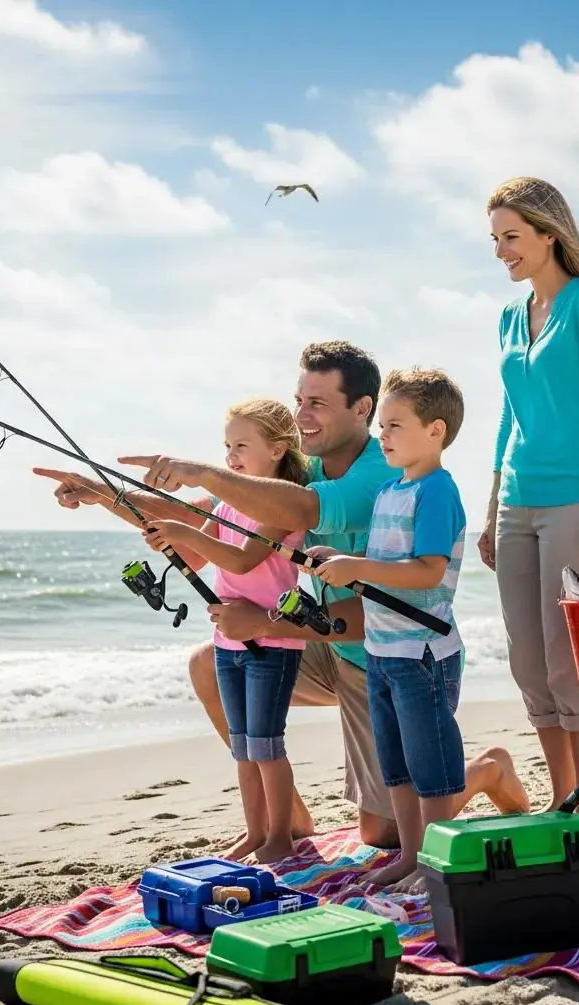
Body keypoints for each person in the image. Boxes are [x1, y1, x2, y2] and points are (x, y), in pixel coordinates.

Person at [99, 341, 529, 847]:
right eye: (299, 400)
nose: (300, 415)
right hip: (328, 645)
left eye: (317, 403)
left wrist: (264, 623)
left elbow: (353, 580)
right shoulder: (304, 463)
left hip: (383, 656)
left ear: (362, 409)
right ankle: (286, 818)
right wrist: (101, 493)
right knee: (208, 663)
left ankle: (485, 771)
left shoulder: (389, 476)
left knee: (383, 832)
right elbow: (201, 513)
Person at [480, 177, 579, 819]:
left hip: (575, 500)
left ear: (549, 234)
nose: (501, 252)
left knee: (569, 657)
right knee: (528, 659)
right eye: (494, 240)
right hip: (518, 500)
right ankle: (560, 796)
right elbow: (508, 418)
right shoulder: (510, 317)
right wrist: (491, 507)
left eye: (511, 237)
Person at [312, 368, 469, 890]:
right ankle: (412, 854)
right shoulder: (389, 491)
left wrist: (357, 567)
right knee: (396, 765)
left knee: (432, 764)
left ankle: (438, 862)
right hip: (381, 650)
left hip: (422, 654)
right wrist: (341, 558)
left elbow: (426, 571)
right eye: (382, 425)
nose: (383, 435)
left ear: (436, 431)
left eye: (395, 425)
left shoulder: (437, 492)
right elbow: (382, 564)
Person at [139, 398, 309, 864]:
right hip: (228, 640)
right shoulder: (227, 507)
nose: (230, 455)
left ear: (276, 450)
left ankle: (280, 836)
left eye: (241, 445)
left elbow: (240, 559)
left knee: (266, 744)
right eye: (226, 445)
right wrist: (169, 536)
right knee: (243, 747)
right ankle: (256, 832)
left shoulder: (282, 503)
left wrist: (187, 533)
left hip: (272, 640)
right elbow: (202, 551)